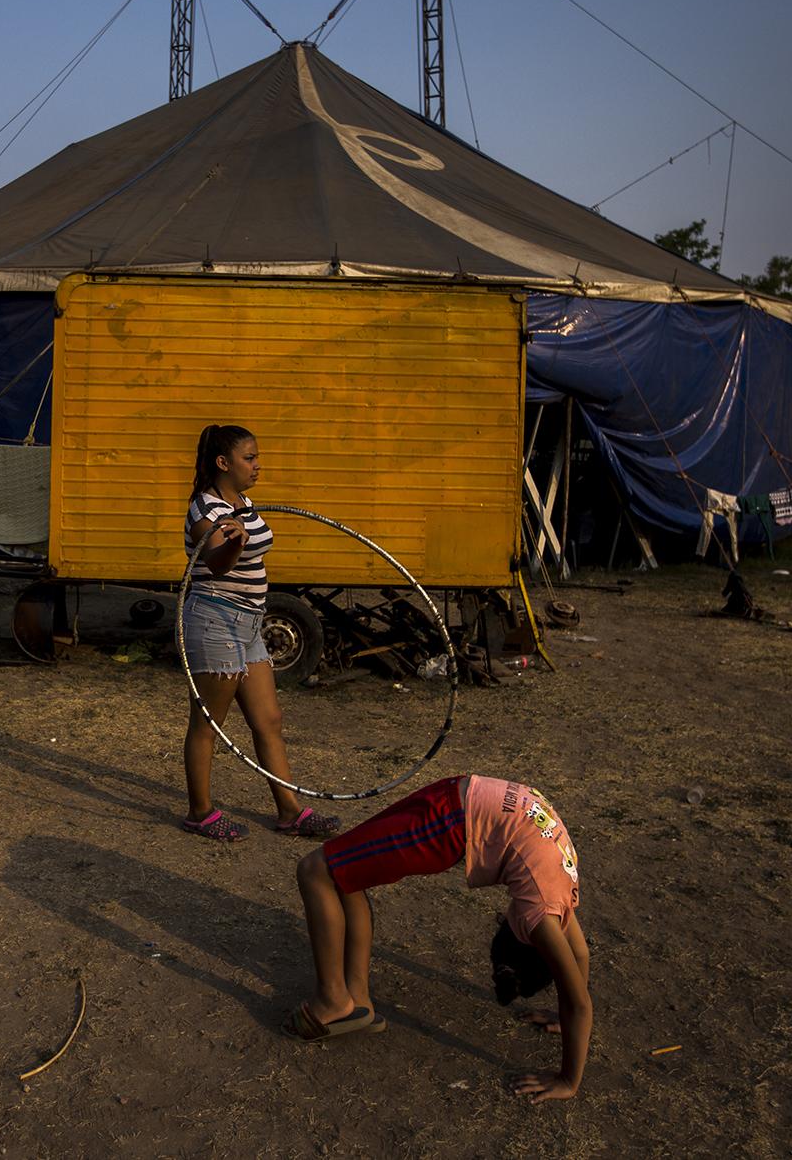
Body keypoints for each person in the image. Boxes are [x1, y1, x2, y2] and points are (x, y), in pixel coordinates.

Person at [288, 774, 592, 1104]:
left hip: (457, 805)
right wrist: (567, 1060)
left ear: (529, 940)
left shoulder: (553, 893)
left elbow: (578, 975)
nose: (505, 917)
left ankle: (334, 999)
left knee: (318, 870)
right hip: (451, 811)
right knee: (340, 868)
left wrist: (566, 1079)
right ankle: (353, 998)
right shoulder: (543, 912)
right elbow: (577, 981)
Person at [179, 424, 339, 844]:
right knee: (209, 721)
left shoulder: (244, 504)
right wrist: (234, 542)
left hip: (250, 622)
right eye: (249, 458)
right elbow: (215, 563)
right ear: (223, 463)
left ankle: (289, 812)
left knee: (269, 720)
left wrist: (243, 532)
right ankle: (200, 812)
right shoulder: (205, 511)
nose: (257, 465)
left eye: (256, 457)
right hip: (215, 620)